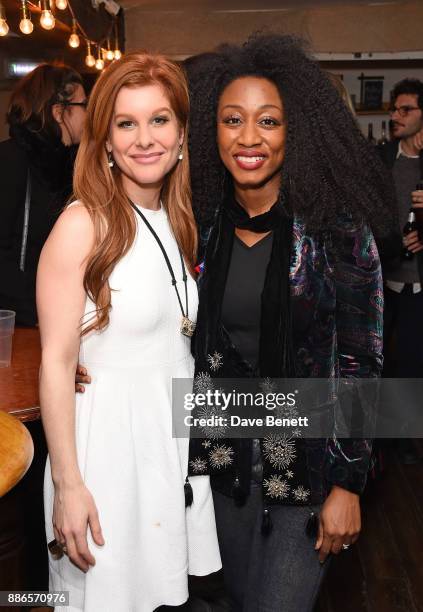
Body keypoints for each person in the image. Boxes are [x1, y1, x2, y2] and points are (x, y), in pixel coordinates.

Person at [184, 34, 397, 611]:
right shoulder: (193, 228)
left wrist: (348, 483)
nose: (249, 137)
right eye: (233, 120)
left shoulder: (337, 231)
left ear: (294, 132)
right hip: (214, 471)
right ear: (212, 131)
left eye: (268, 121)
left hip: (306, 475)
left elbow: (361, 361)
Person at [37, 52, 221, 612]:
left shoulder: (177, 217)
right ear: (107, 142)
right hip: (106, 458)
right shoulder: (82, 223)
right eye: (126, 123)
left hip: (166, 450)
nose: (145, 138)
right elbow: (56, 362)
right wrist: (69, 485)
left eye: (159, 120)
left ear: (183, 132)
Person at [0, 63, 87, 326]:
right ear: (59, 112)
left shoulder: (71, 166)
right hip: (21, 324)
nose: (89, 114)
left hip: (58, 318)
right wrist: (37, 310)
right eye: (84, 106)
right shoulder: (11, 161)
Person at [378, 78, 423, 464]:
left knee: (410, 362)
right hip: (381, 276)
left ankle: (403, 438)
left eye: (405, 109)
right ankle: (375, 440)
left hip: (417, 284)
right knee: (378, 361)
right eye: (395, 108)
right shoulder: (382, 158)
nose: (396, 115)